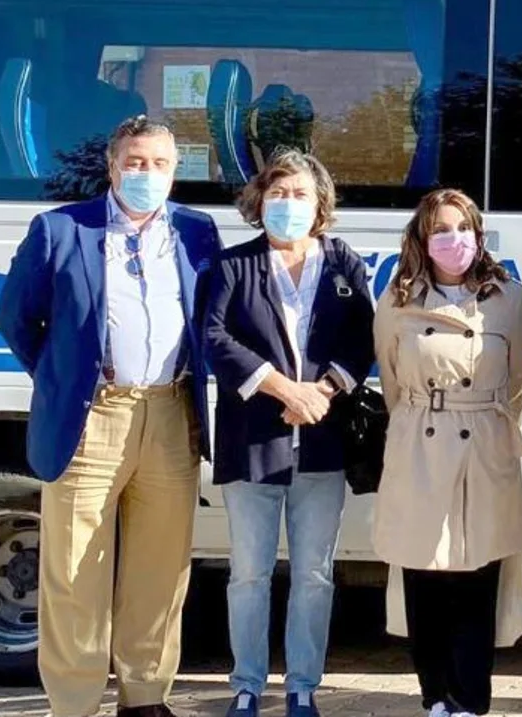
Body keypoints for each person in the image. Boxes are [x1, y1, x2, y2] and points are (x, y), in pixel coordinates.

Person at [0, 116, 223, 717]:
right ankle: (74, 702)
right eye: (136, 163)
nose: (147, 174)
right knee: (75, 568)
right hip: (93, 417)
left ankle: (146, 697)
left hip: (170, 412)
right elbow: (16, 319)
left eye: (160, 164)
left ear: (177, 171)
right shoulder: (61, 229)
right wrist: (64, 378)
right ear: (114, 166)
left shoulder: (198, 233)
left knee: (162, 565)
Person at [201, 151, 376, 717]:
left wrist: (322, 391)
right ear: (259, 201)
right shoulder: (235, 266)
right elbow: (215, 339)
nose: (289, 205)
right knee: (249, 573)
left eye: (301, 195)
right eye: (279, 193)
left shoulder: (343, 262)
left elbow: (365, 338)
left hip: (323, 442)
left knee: (315, 575)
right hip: (254, 442)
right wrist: (281, 387)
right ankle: (246, 685)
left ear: (321, 205)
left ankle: (303, 685)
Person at [372, 189, 522, 717]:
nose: (454, 240)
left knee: (475, 579)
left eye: (464, 228)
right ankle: (433, 696)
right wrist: (425, 416)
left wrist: (483, 417)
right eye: (441, 230)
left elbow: (519, 382)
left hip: (483, 443)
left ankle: (469, 700)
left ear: (479, 235)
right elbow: (392, 379)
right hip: (420, 439)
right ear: (422, 238)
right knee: (424, 578)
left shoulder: (508, 296)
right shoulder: (397, 299)